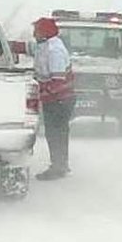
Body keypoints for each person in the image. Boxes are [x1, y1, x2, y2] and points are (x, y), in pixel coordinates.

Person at [32, 17, 76, 180]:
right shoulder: (44, 46)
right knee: (56, 132)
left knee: (56, 133)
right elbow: (28, 48)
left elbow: (58, 82)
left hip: (60, 99)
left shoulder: (54, 51)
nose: (33, 34)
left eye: (36, 30)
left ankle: (58, 167)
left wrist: (40, 96)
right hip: (57, 99)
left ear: (43, 33)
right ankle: (60, 164)